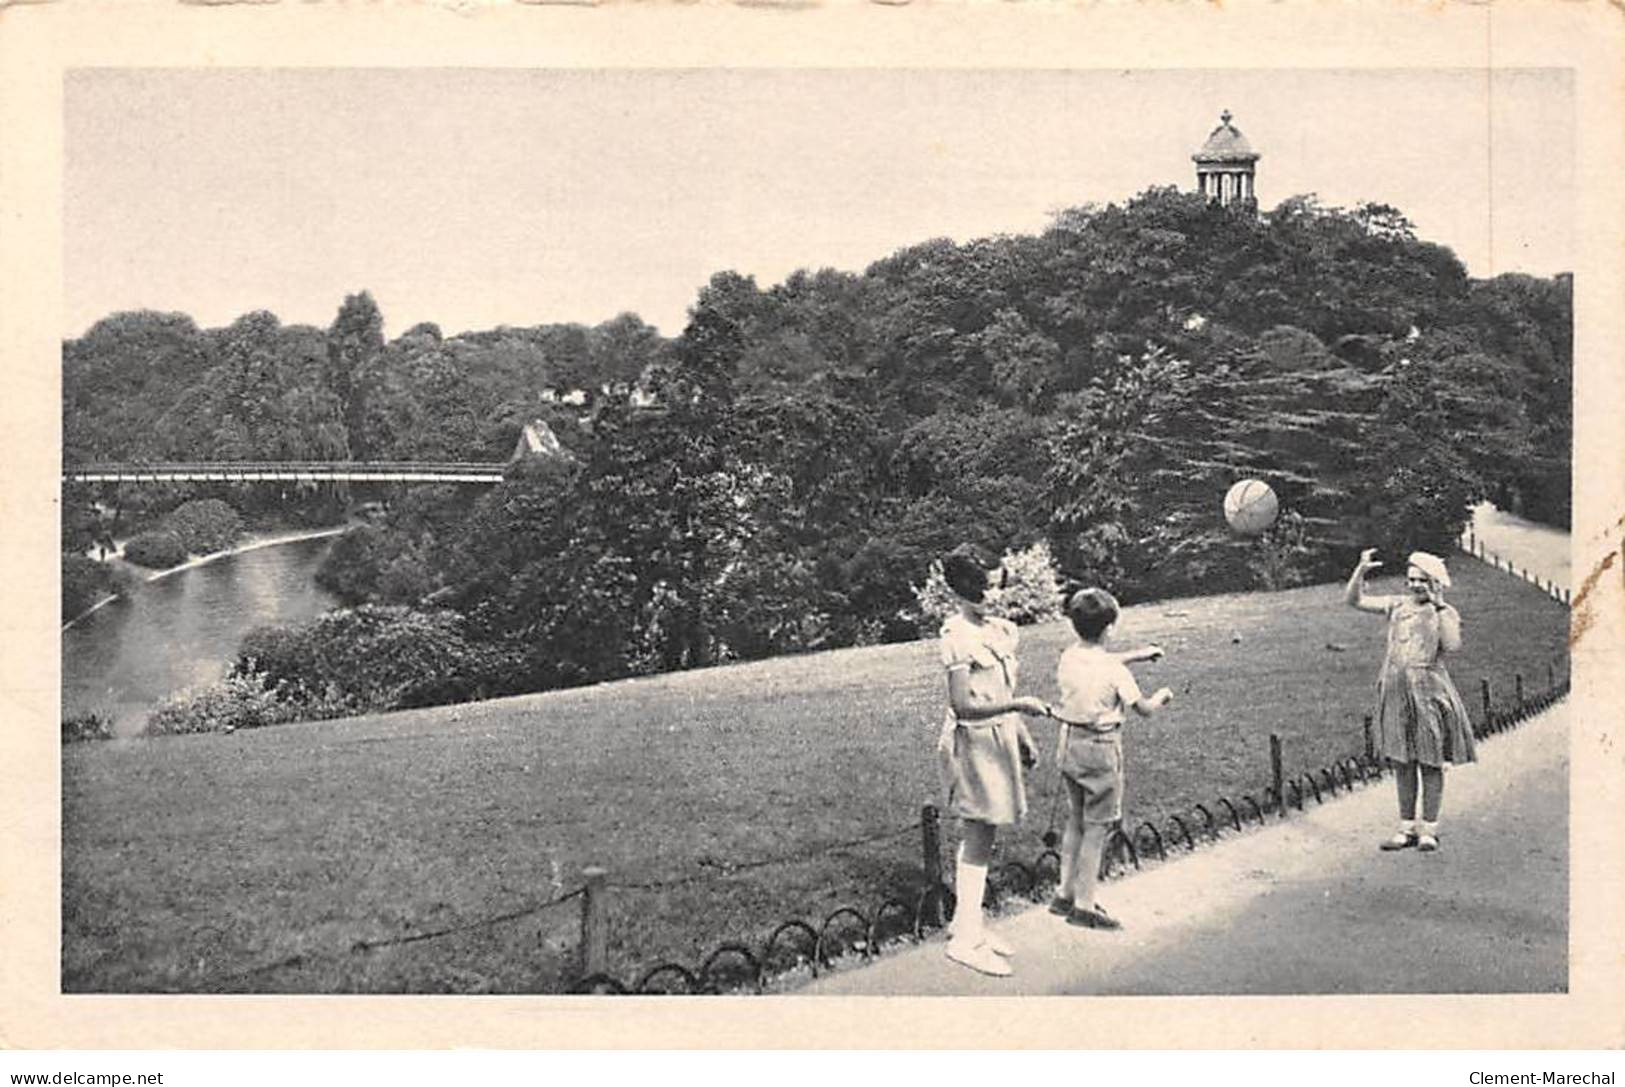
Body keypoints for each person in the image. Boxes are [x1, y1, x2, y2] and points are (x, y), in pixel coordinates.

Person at [935, 548, 1050, 977]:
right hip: (975, 740)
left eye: (993, 584)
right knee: (980, 831)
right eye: (981, 588)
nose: (991, 595)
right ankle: (966, 940)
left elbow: (1000, 684)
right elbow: (963, 706)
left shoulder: (1000, 631)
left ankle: (968, 923)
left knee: (984, 833)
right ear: (962, 591)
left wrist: (1020, 732)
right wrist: (1017, 706)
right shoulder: (957, 636)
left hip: (999, 735)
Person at [1046, 587, 1172, 930]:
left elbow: (1101, 661)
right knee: (1097, 828)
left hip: (1069, 743)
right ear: (1109, 629)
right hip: (1100, 750)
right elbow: (1144, 709)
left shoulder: (1069, 655)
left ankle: (1064, 893)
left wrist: (1140, 654)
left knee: (1076, 819)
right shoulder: (1115, 672)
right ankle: (1085, 905)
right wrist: (1162, 696)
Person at [1345, 548, 1476, 852]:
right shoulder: (1396, 605)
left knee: (1430, 760)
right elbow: (1354, 601)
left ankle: (1429, 829)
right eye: (1411, 579)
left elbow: (1453, 645)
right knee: (1402, 760)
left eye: (1423, 580)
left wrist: (1440, 606)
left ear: (1435, 583)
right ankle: (1406, 827)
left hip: (1428, 689)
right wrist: (1360, 571)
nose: (1415, 585)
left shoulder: (1444, 612)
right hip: (1395, 686)